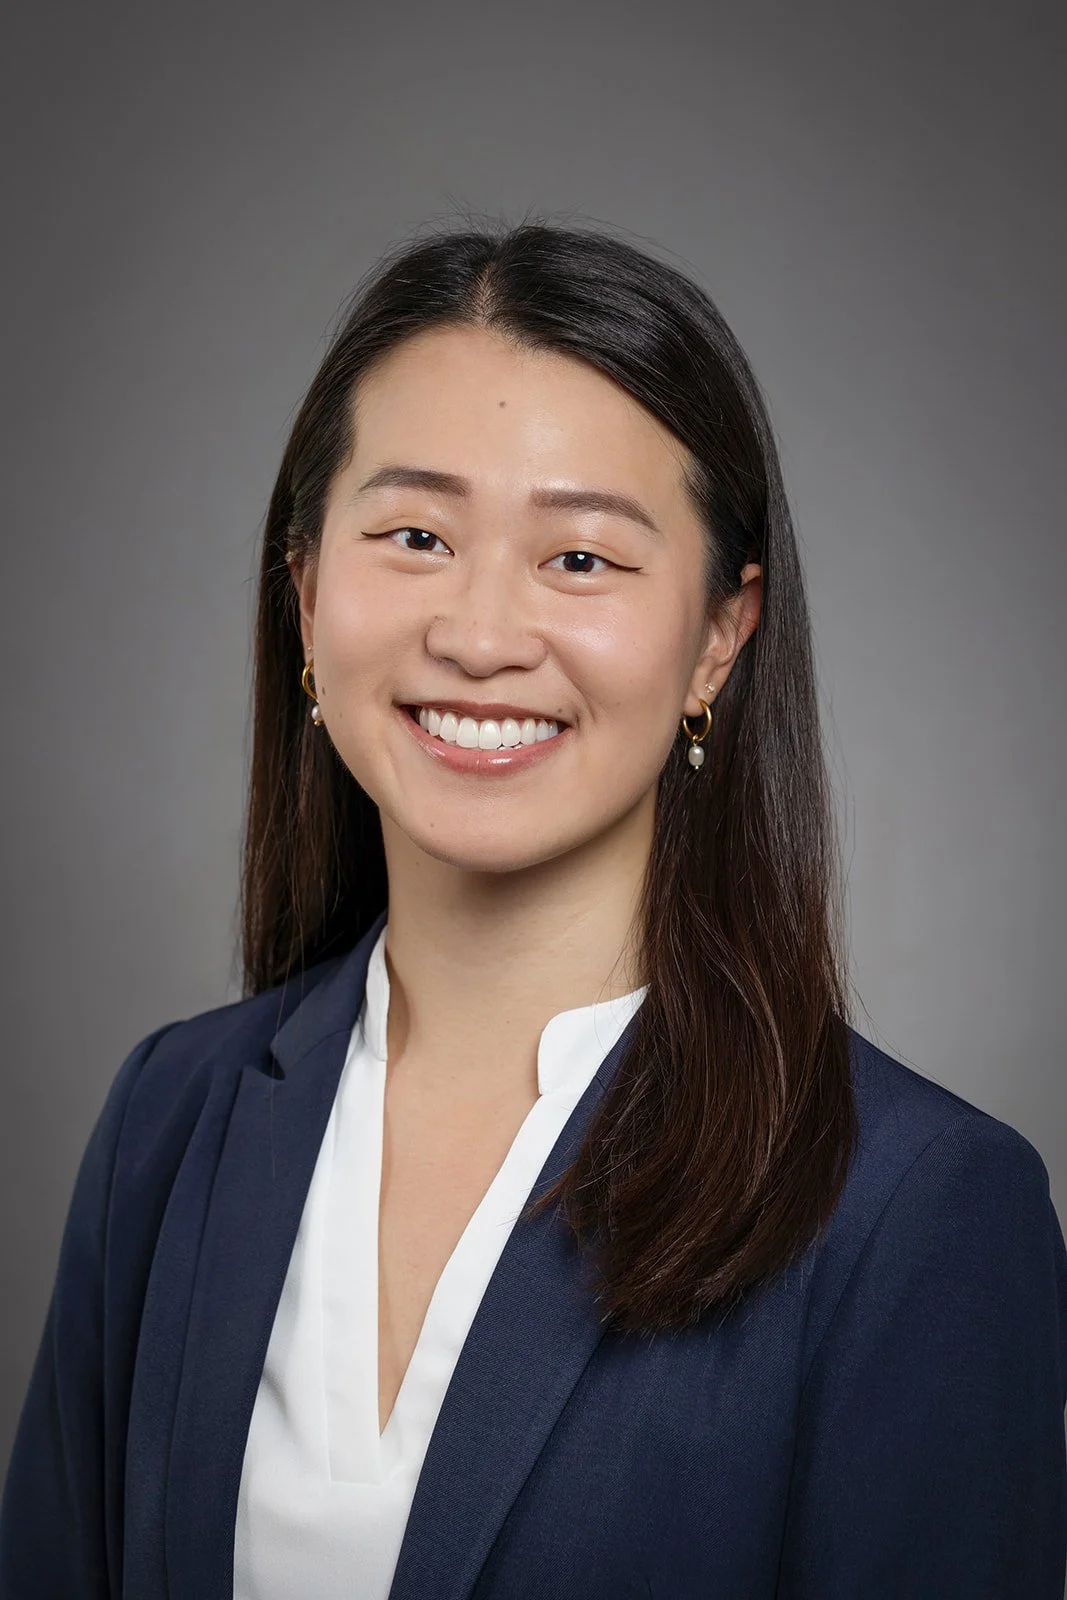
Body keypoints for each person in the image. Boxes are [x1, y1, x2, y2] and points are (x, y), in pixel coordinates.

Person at [1, 222, 1064, 1600]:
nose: (481, 632)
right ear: (307, 593)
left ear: (718, 638)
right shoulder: (172, 1115)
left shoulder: (915, 1209)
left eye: (580, 560)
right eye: (415, 535)